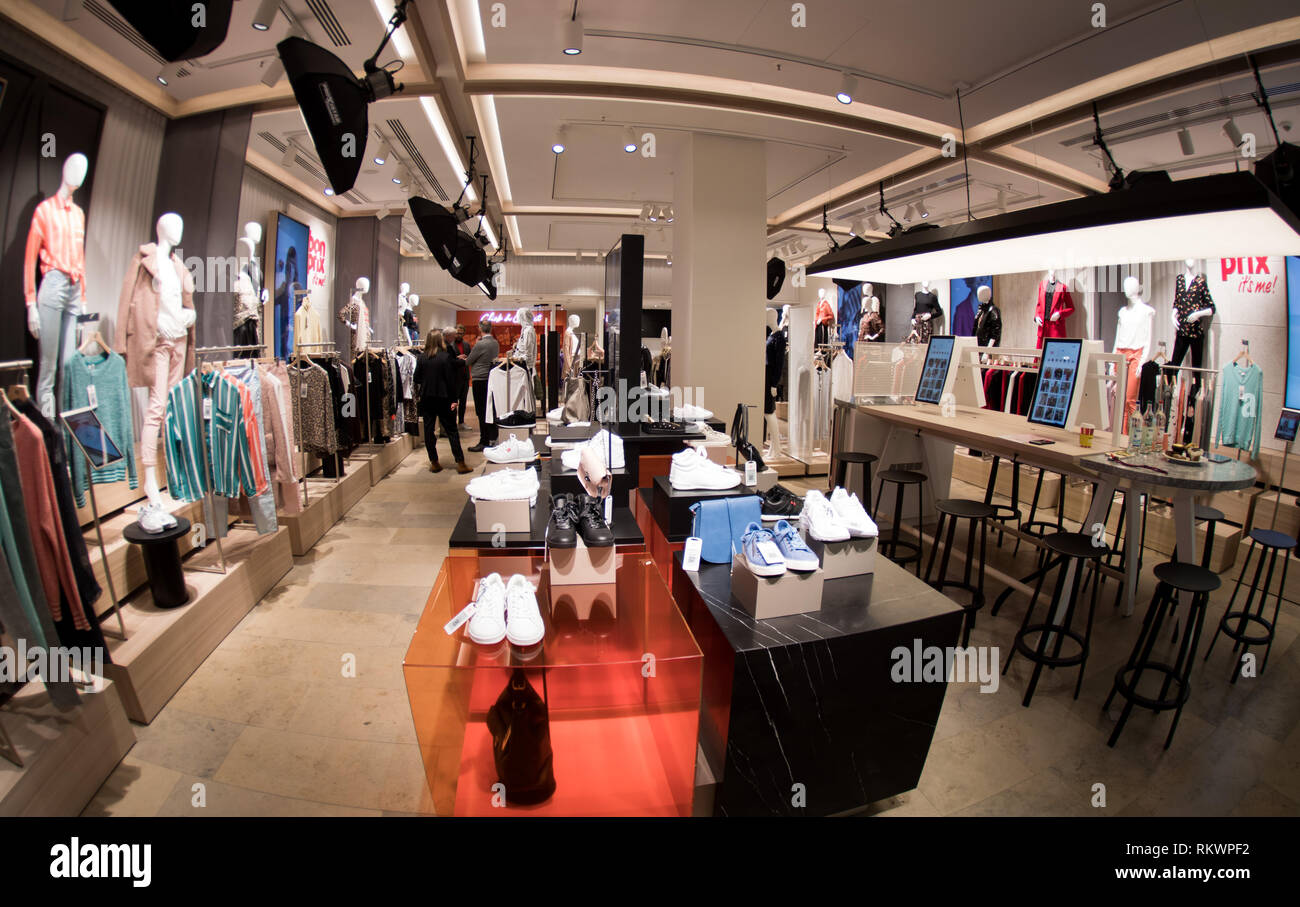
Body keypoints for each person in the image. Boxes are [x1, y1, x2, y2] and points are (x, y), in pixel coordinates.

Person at [414, 328, 471, 474]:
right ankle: (460, 463)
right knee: (452, 430)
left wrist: (428, 381)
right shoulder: (445, 358)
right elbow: (450, 381)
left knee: (428, 430)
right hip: (444, 398)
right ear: (440, 340)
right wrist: (454, 399)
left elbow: (416, 378)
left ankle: (434, 462)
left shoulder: (421, 358)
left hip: (427, 398)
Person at [465, 319, 500, 453]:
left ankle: (484, 440)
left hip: (480, 379)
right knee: (490, 409)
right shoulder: (495, 343)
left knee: (481, 411)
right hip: (490, 378)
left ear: (480, 328)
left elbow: (468, 361)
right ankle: (492, 436)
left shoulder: (480, 344)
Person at [451, 324, 471, 427]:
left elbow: (470, 358)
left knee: (463, 401)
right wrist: (457, 358)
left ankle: (462, 421)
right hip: (454, 377)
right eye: (458, 333)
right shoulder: (450, 345)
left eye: (461, 333)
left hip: (465, 376)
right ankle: (453, 422)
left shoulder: (466, 345)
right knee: (454, 401)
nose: (459, 335)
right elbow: (448, 360)